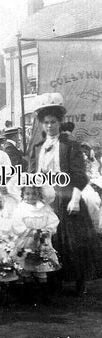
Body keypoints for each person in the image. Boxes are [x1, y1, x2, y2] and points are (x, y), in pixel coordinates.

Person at [29, 92, 102, 295]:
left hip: (67, 194)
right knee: (49, 238)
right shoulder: (37, 147)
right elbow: (32, 173)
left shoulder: (70, 145)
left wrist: (76, 199)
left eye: (53, 122)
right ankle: (55, 278)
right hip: (46, 195)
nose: (50, 126)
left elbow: (79, 174)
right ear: (42, 125)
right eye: (46, 123)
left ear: (59, 123)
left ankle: (80, 280)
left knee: (74, 240)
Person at [11, 185, 60, 303]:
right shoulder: (20, 208)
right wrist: (29, 231)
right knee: (26, 267)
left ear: (40, 195)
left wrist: (47, 230)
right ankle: (29, 293)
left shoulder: (45, 208)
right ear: (23, 195)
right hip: (27, 240)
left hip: (42, 241)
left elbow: (53, 221)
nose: (31, 197)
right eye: (27, 194)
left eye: (34, 194)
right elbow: (16, 224)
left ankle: (44, 294)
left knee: (41, 266)